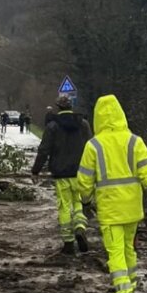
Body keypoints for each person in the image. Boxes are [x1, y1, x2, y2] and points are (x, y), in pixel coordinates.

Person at [77, 94, 147, 293]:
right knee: (129, 251)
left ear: (98, 118)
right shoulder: (134, 141)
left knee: (115, 254)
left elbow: (84, 180)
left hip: (109, 210)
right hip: (132, 209)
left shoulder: (93, 145)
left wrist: (86, 202)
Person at [32, 96, 92, 255]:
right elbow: (91, 147)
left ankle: (68, 243)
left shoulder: (52, 126)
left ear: (58, 107)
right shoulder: (83, 124)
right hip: (80, 173)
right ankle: (80, 227)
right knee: (78, 203)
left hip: (61, 174)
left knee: (64, 206)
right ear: (72, 107)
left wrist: (36, 170)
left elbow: (44, 149)